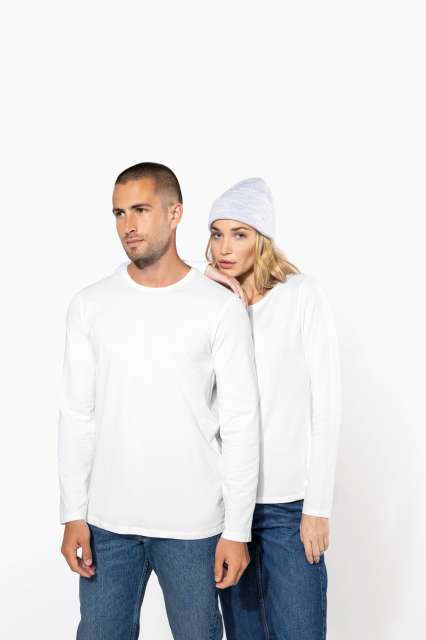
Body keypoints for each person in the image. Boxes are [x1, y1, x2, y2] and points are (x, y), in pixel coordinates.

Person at [57, 163, 261, 640]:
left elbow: (240, 422)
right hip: (107, 526)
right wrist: (72, 514)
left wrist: (237, 529)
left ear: (175, 214)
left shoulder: (218, 306)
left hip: (193, 527)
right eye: (119, 213)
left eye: (141, 210)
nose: (128, 225)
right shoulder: (90, 305)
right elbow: (77, 415)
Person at [184, 177, 342, 639]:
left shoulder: (301, 294)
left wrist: (318, 506)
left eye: (239, 234)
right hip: (229, 508)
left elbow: (327, 404)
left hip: (289, 507)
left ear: (262, 238)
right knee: (244, 633)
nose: (224, 247)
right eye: (217, 234)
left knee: (299, 631)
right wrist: (207, 280)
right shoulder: (213, 305)